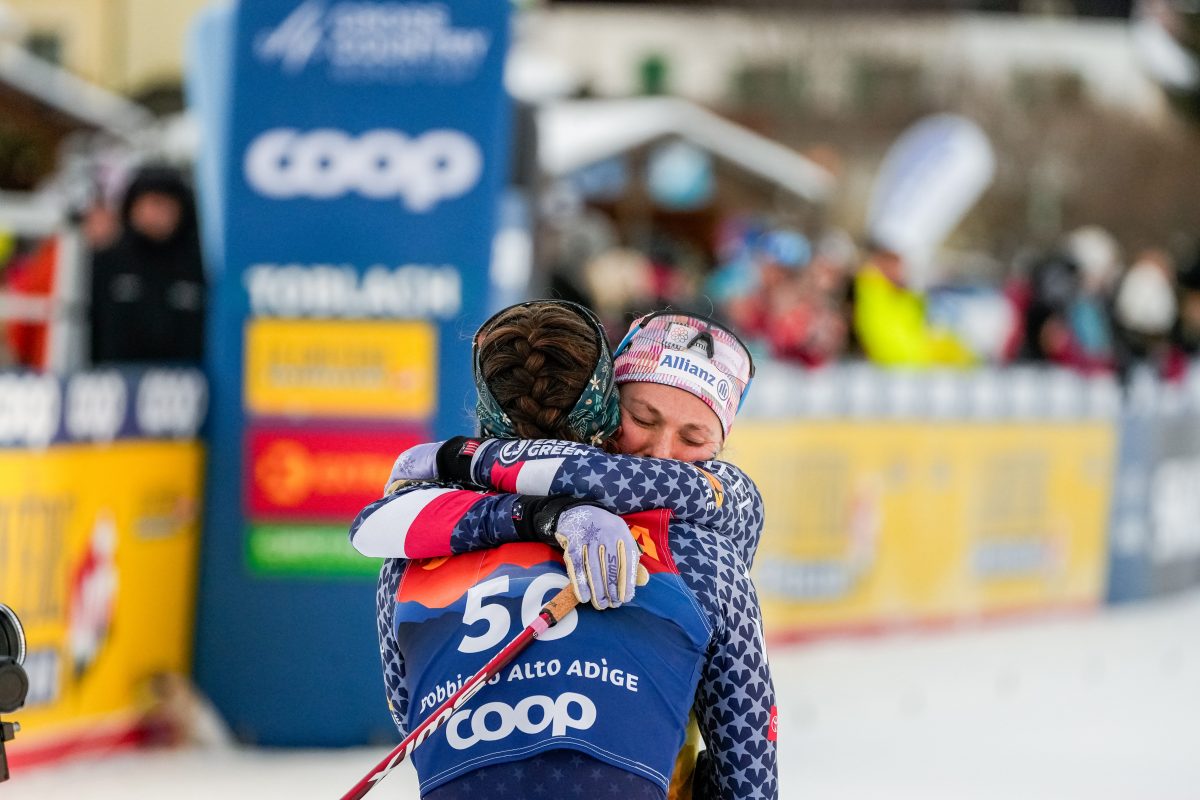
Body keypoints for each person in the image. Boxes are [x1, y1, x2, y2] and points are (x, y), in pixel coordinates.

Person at [349, 302, 776, 799]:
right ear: (608, 405)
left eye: (695, 437)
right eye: (642, 417)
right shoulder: (702, 556)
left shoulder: (419, 539)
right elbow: (751, 776)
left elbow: (413, 715)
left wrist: (464, 460)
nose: (662, 453)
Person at [89, 165, 206, 364]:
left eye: (169, 204)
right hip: (116, 383)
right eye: (153, 203)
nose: (160, 213)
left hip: (185, 385)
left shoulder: (200, 266)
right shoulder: (107, 262)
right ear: (133, 206)